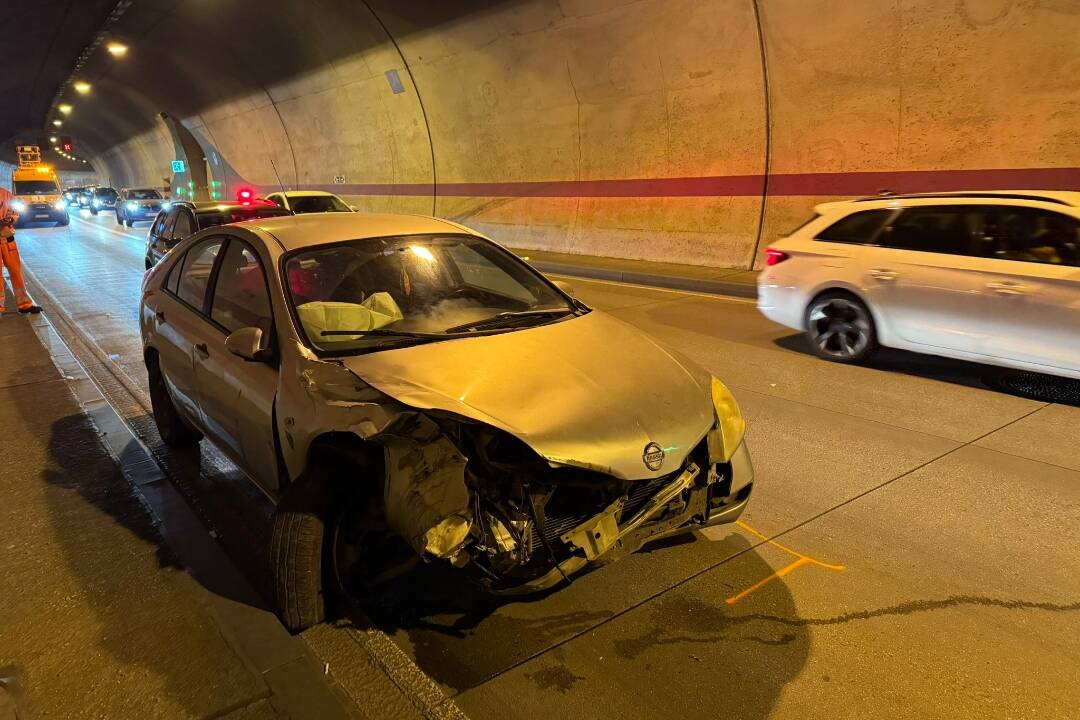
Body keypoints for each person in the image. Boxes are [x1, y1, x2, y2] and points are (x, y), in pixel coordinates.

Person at [0, 186, 42, 314]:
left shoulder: (5, 194)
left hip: (7, 238)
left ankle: (25, 304)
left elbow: (16, 212)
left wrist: (10, 219)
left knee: (16, 272)